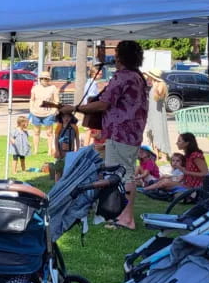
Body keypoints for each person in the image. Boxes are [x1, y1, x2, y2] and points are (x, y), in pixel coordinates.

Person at [61, 40, 149, 230]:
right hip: (132, 132)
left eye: (116, 53)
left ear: (120, 56)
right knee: (125, 171)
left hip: (121, 133)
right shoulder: (137, 76)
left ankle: (125, 217)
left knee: (121, 174)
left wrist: (76, 108)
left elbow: (104, 104)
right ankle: (120, 214)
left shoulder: (123, 77)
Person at [29, 71, 60, 156]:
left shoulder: (53, 88)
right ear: (40, 79)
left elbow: (56, 101)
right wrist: (31, 109)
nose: (44, 80)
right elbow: (32, 99)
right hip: (36, 113)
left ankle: (49, 151)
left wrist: (54, 110)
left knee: (49, 133)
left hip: (48, 114)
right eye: (42, 78)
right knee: (36, 132)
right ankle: (35, 150)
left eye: (46, 79)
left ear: (49, 79)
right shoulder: (35, 88)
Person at [144, 69, 171, 160]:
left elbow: (158, 97)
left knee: (159, 133)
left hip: (158, 114)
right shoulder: (153, 85)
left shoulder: (161, 85)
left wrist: (155, 87)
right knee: (152, 132)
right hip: (152, 113)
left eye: (149, 76)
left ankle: (163, 155)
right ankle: (157, 153)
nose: (148, 78)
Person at [53, 109, 80, 180]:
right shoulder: (59, 126)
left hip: (70, 151)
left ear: (71, 117)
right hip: (61, 151)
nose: (66, 118)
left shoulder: (75, 127)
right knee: (58, 168)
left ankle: (66, 180)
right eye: (64, 117)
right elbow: (56, 139)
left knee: (68, 167)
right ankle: (57, 183)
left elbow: (77, 139)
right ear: (61, 118)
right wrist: (57, 150)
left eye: (68, 117)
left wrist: (78, 149)